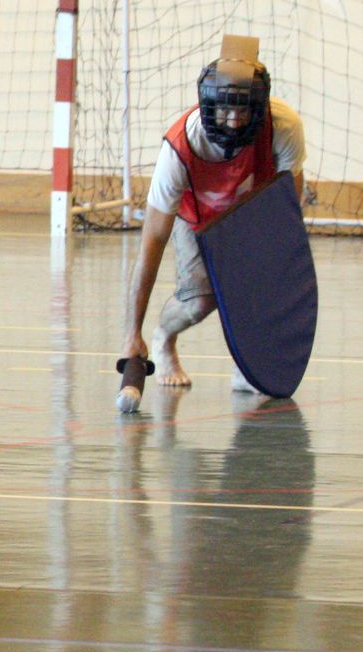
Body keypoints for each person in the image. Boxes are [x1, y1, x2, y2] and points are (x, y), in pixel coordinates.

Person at [117, 49, 305, 413]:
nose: (234, 121)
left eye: (244, 110)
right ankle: (164, 337)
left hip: (253, 210)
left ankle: (247, 366)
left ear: (260, 106)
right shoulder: (180, 149)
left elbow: (287, 207)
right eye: (225, 109)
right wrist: (131, 334)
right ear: (207, 104)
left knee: (260, 286)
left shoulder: (284, 126)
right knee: (199, 300)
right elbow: (153, 241)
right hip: (196, 215)